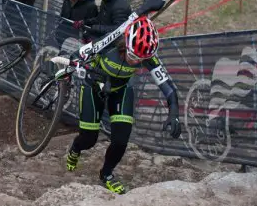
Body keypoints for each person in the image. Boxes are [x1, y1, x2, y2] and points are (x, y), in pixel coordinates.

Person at [64, 15, 182, 194]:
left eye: (141, 59)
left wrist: (173, 113)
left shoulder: (147, 56)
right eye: (133, 55)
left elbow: (169, 88)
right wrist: (90, 73)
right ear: (126, 43)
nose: (136, 61)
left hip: (120, 90)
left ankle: (107, 174)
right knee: (88, 139)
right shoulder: (109, 44)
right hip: (93, 87)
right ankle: (76, 148)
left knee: (121, 140)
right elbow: (75, 57)